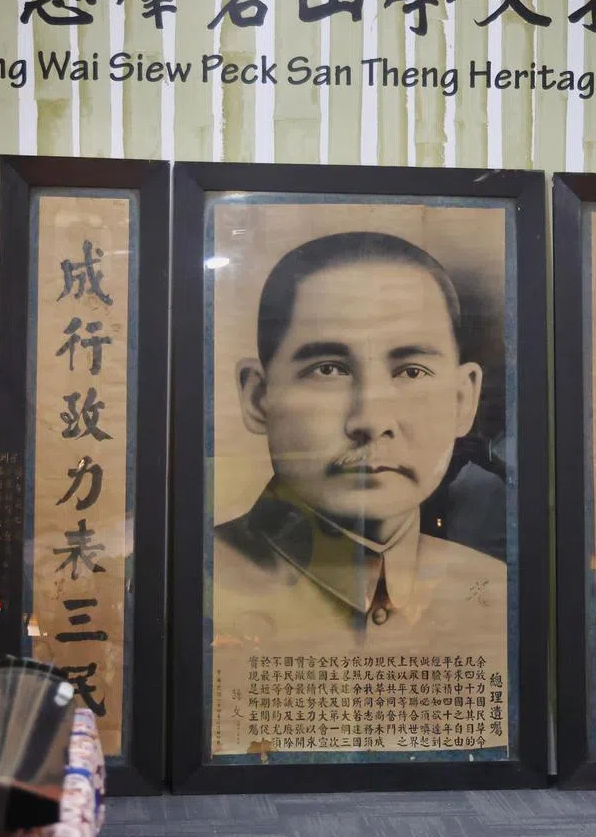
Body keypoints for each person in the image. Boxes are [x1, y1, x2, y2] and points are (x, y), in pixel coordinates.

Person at [212, 231, 507, 657]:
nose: (370, 421)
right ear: (258, 397)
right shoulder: (195, 584)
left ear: (464, 399)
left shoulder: (494, 595)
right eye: (328, 369)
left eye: (411, 371)